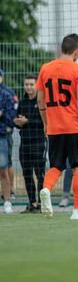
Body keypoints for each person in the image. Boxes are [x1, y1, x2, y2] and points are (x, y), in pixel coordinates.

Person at [37, 34, 78, 220]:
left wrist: (46, 123)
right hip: (74, 126)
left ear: (61, 49)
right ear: (77, 52)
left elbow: (40, 101)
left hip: (54, 128)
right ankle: (76, 211)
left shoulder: (45, 68)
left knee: (56, 166)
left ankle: (46, 188)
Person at [14, 74, 46, 213]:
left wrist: (27, 122)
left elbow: (44, 123)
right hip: (24, 143)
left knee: (40, 174)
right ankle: (32, 203)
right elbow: (19, 121)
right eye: (26, 84)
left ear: (37, 85)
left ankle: (41, 204)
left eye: (31, 84)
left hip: (38, 142)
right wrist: (17, 122)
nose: (28, 87)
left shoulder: (42, 102)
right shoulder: (22, 103)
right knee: (27, 173)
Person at [0, 68, 18, 200]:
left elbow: (13, 116)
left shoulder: (8, 94)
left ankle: (10, 191)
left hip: (4, 135)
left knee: (7, 164)